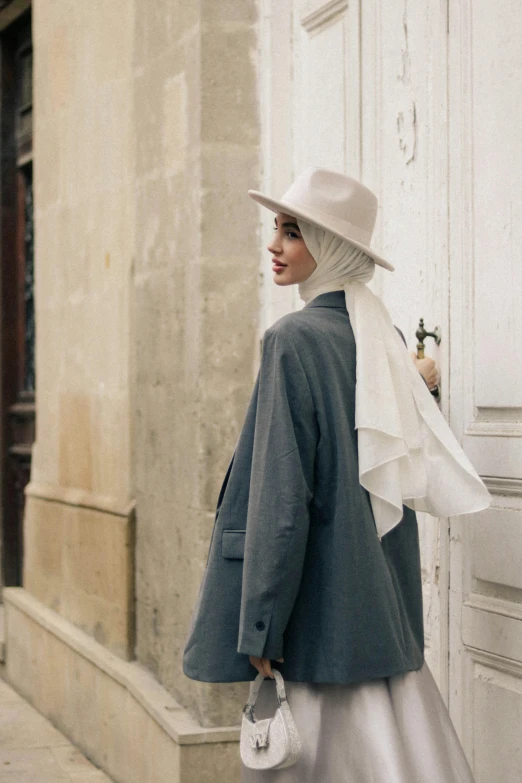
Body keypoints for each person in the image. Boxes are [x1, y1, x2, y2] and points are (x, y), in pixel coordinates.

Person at [183, 168, 491, 782]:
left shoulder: (292, 341)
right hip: (376, 607)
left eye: (293, 233)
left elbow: (280, 500)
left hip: (316, 616)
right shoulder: (380, 338)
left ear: (333, 250)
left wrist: (262, 626)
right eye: (277, 228)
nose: (274, 245)